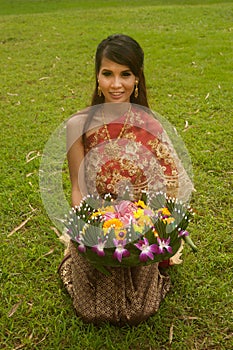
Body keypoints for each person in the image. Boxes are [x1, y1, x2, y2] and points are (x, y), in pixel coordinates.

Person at [58, 34, 192, 326]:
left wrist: (143, 228)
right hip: (98, 223)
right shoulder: (78, 125)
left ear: (137, 79)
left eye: (125, 74)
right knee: (92, 309)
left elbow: (167, 191)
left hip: (139, 227)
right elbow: (78, 189)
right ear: (97, 76)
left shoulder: (151, 126)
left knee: (140, 309)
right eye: (108, 74)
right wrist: (94, 231)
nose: (116, 84)